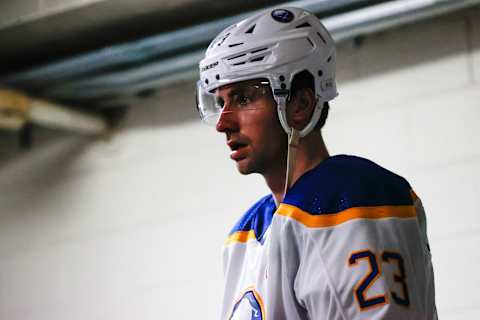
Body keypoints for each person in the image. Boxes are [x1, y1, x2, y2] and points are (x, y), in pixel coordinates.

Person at [196, 7, 437, 320]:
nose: (223, 123)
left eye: (243, 99)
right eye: (220, 103)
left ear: (300, 104)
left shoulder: (348, 198)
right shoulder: (247, 232)